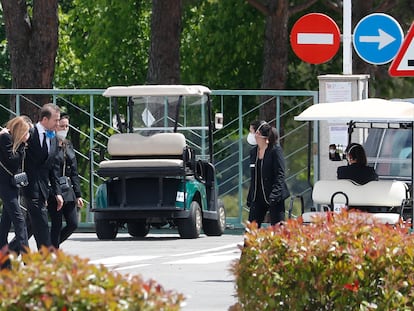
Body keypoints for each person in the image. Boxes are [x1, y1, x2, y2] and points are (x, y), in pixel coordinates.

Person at [21, 103, 63, 249]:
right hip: (29, 187)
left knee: (30, 227)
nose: (58, 124)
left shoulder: (52, 138)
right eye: (56, 120)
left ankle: (9, 255)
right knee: (42, 225)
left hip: (44, 189)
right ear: (45, 120)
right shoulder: (29, 133)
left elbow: (53, 168)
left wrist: (57, 192)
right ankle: (44, 262)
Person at [47, 113, 84, 248]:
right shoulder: (50, 143)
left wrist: (78, 194)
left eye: (67, 126)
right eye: (62, 126)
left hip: (67, 189)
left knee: (73, 223)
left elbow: (74, 171)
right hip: (54, 189)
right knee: (56, 224)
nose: (65, 128)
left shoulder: (68, 145)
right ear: (56, 127)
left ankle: (50, 247)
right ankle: (53, 250)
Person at [246, 120, 290, 228]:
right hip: (258, 197)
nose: (250, 135)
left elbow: (280, 174)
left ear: (258, 133)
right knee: (251, 230)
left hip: (274, 196)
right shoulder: (253, 152)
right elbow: (254, 177)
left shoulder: (275, 151)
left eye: (251, 131)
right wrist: (250, 196)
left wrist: (274, 195)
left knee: (278, 229)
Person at [0, 116, 31, 255]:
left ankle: (4, 261)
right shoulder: (6, 138)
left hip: (12, 185)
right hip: (5, 184)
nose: (28, 136)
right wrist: (22, 146)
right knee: (19, 222)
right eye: (25, 132)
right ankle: (27, 261)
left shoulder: (15, 143)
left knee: (5, 224)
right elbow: (12, 162)